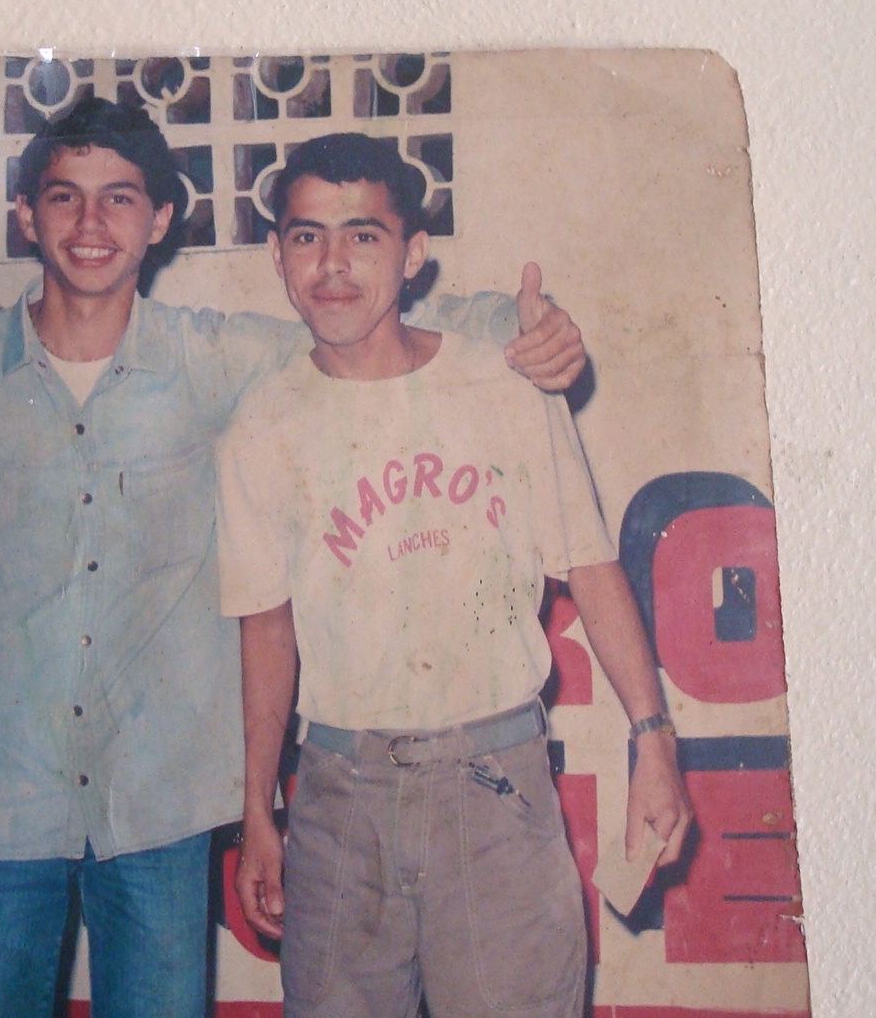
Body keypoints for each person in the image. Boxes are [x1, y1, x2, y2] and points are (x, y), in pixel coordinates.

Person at [0, 99, 588, 1018]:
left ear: (160, 220)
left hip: (158, 814)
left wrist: (527, 326)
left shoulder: (215, 360)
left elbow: (372, 320)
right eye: (63, 196)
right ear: (24, 214)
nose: (91, 224)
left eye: (120, 198)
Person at [216, 133, 693, 1018]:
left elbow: (591, 567)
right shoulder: (261, 428)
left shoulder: (502, 387)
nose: (332, 264)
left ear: (413, 254)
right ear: (278, 255)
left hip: (493, 788)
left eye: (363, 236)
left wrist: (653, 741)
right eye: (307, 236)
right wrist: (257, 810)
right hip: (338, 799)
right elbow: (266, 629)